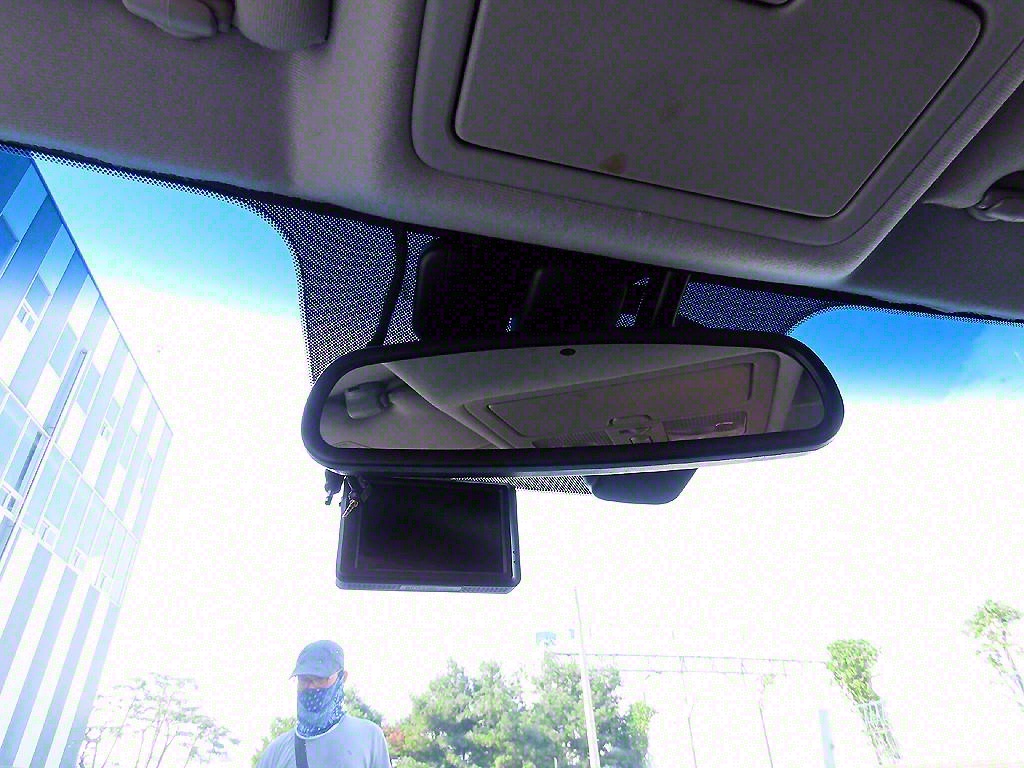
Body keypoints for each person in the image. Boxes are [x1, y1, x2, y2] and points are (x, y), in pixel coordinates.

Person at [256, 640, 391, 768]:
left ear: (342, 677)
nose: (311, 687)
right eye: (304, 679)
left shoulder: (369, 737)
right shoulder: (275, 753)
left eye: (319, 678)